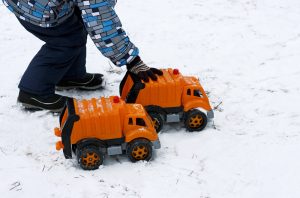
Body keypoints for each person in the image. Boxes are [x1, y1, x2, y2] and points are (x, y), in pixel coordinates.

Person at [2, 0, 162, 112]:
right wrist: (132, 61)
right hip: (34, 6)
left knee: (75, 28)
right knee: (65, 41)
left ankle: (69, 75)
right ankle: (34, 92)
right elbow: (101, 22)